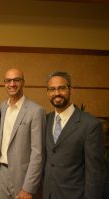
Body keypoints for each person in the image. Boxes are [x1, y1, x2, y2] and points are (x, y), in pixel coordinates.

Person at [43, 71, 104, 199]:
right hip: (48, 194)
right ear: (48, 92)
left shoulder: (90, 124)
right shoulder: (45, 120)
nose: (57, 93)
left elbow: (94, 172)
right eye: (52, 89)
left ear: (71, 90)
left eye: (61, 88)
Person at [0, 68, 46, 199]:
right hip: (2, 172)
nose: (12, 84)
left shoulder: (36, 111)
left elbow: (38, 153)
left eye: (16, 80)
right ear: (4, 83)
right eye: (8, 81)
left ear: (23, 83)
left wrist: (29, 187)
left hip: (23, 176)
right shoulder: (2, 107)